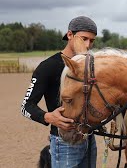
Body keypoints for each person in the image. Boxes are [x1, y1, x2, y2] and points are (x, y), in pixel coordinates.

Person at [21, 16, 98, 168]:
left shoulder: (91, 66)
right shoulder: (47, 67)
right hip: (63, 145)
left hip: (90, 141)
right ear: (70, 35)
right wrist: (48, 117)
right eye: (84, 39)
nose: (88, 45)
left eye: (92, 40)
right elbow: (26, 106)